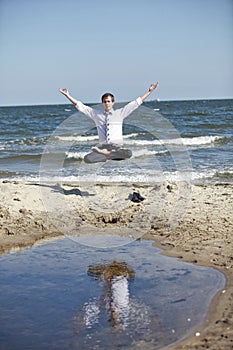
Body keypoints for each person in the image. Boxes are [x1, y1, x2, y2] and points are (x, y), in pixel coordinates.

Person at [59, 82, 159, 163]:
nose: (107, 103)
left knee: (129, 153)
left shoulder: (120, 113)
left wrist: (149, 92)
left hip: (117, 148)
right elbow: (81, 106)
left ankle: (107, 155)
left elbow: (135, 103)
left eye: (109, 101)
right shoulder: (96, 114)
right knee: (87, 159)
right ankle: (106, 155)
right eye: (105, 101)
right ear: (102, 103)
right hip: (104, 148)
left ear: (113, 102)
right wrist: (68, 95)